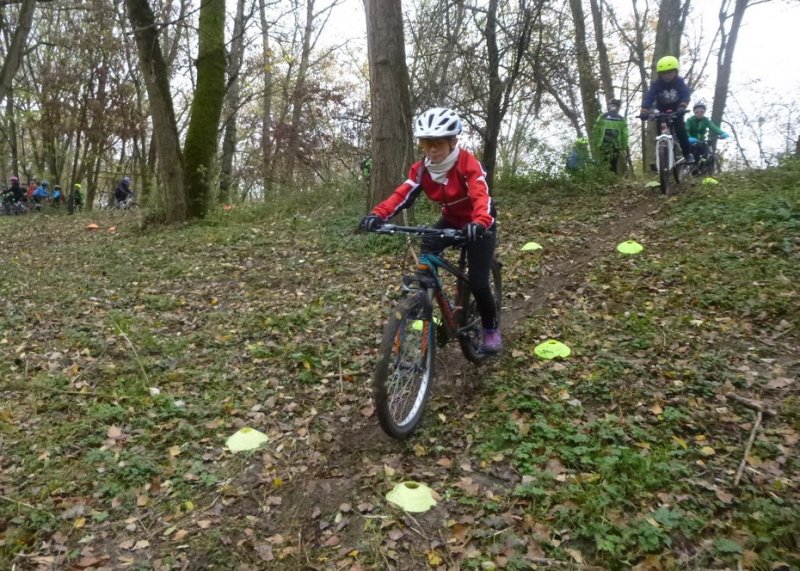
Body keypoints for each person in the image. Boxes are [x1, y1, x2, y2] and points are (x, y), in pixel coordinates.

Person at [359, 107, 501, 354]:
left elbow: (481, 196)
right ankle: (426, 304)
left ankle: (490, 328)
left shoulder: (468, 164)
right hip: (450, 220)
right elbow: (401, 195)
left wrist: (479, 222)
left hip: (480, 224)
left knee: (478, 282)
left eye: (437, 144)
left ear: (452, 141)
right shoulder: (422, 170)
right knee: (426, 252)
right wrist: (377, 214)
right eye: (426, 144)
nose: (432, 150)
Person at [639, 55, 694, 165]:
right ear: (660, 74)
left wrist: (682, 106)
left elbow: (685, 94)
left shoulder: (679, 82)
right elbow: (650, 96)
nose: (667, 75)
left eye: (670, 72)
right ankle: (658, 158)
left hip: (677, 110)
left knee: (680, 131)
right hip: (662, 111)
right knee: (659, 133)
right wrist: (644, 110)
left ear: (675, 72)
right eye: (664, 73)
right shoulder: (657, 84)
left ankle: (687, 154)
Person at [685, 102, 729, 169]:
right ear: (694, 112)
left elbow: (714, 127)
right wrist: (689, 137)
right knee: (697, 147)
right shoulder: (690, 120)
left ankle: (703, 168)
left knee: (708, 153)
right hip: (691, 142)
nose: (699, 113)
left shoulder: (706, 120)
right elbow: (686, 130)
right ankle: (694, 166)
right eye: (697, 112)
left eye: (701, 112)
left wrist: (722, 133)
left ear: (704, 112)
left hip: (702, 141)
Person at [592, 99, 629, 174]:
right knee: (613, 166)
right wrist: (624, 147)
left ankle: (603, 181)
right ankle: (612, 182)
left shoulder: (602, 117)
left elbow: (595, 131)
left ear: (609, 106)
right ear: (618, 107)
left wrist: (595, 144)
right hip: (615, 146)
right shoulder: (622, 119)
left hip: (602, 144)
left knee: (603, 165)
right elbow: (625, 135)